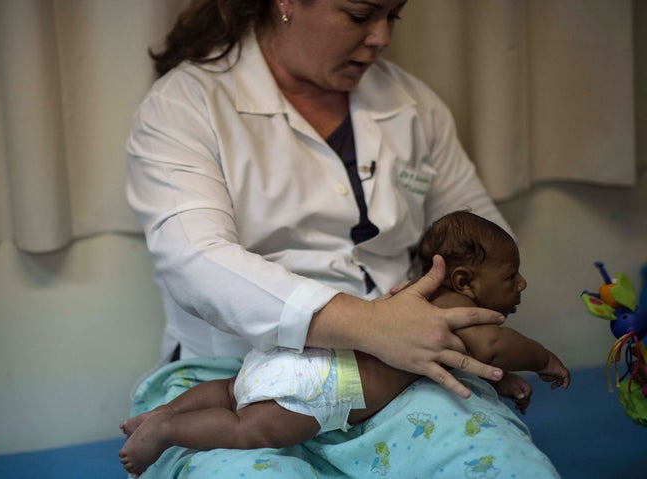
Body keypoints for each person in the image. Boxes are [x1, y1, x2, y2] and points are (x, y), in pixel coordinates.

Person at [125, 0, 563, 477]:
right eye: (360, 15)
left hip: (401, 372)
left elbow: (483, 243)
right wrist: (370, 324)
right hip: (233, 375)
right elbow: (195, 259)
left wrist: (471, 344)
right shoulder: (186, 103)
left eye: (392, 15)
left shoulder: (412, 105)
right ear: (286, 3)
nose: (382, 37)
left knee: (504, 465)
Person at [118, 211, 570, 476]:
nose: (522, 283)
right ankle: (170, 431)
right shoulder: (461, 317)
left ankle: (169, 410)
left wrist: (504, 380)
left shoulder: (416, 299)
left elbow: (473, 358)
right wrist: (543, 359)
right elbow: (491, 347)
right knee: (247, 430)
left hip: (293, 354)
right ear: (464, 281)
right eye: (511, 277)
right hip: (325, 388)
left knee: (231, 390)